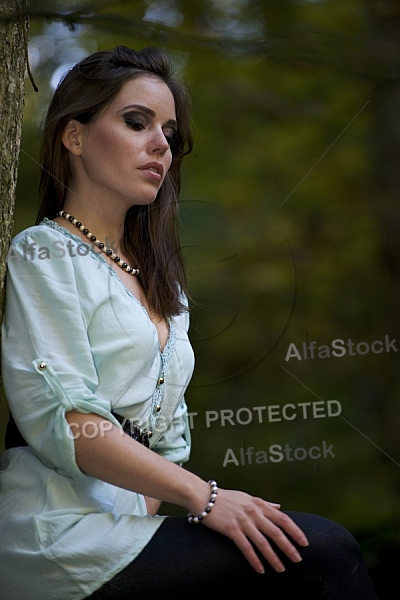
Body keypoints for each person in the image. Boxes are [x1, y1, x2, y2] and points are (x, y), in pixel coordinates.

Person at [0, 45, 378, 600]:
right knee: (320, 553)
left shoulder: (163, 282)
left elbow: (165, 437)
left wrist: (164, 513)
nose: (161, 146)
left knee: (290, 557)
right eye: (137, 123)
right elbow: (70, 423)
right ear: (73, 136)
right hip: (54, 531)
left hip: (134, 532)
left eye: (170, 134)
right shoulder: (43, 253)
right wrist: (208, 499)